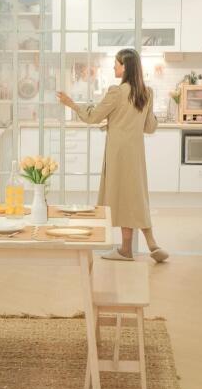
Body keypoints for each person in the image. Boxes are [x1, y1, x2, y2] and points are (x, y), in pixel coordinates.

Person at [56, 48, 168, 262]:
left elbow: (93, 117)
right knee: (135, 195)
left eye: (116, 64)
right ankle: (140, 245)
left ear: (125, 67)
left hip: (118, 153)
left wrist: (71, 104)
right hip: (135, 153)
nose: (114, 67)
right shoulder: (147, 92)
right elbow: (150, 127)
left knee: (125, 197)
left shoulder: (116, 92)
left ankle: (131, 248)